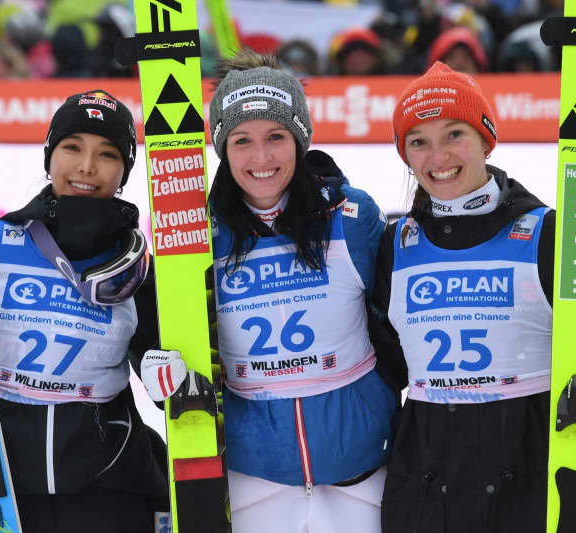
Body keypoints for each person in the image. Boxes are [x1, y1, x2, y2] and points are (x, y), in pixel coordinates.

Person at [373, 61, 576, 532]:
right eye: (418, 141)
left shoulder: (550, 232)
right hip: (435, 477)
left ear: (486, 139)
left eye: (453, 134)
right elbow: (386, 367)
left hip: (542, 470)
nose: (437, 156)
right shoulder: (395, 244)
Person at [140, 51, 399, 533]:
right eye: (242, 141)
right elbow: (161, 327)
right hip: (252, 474)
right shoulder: (200, 234)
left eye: (276, 137)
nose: (261, 158)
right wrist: (153, 365)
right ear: (222, 148)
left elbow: (407, 314)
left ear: (300, 140)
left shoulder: (353, 217)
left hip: (361, 468)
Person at [0, 90, 169, 532]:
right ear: (49, 156)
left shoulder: (137, 271)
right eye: (72, 147)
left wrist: (168, 376)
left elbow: (161, 360)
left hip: (110, 492)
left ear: (124, 171)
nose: (86, 166)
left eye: (106, 153)